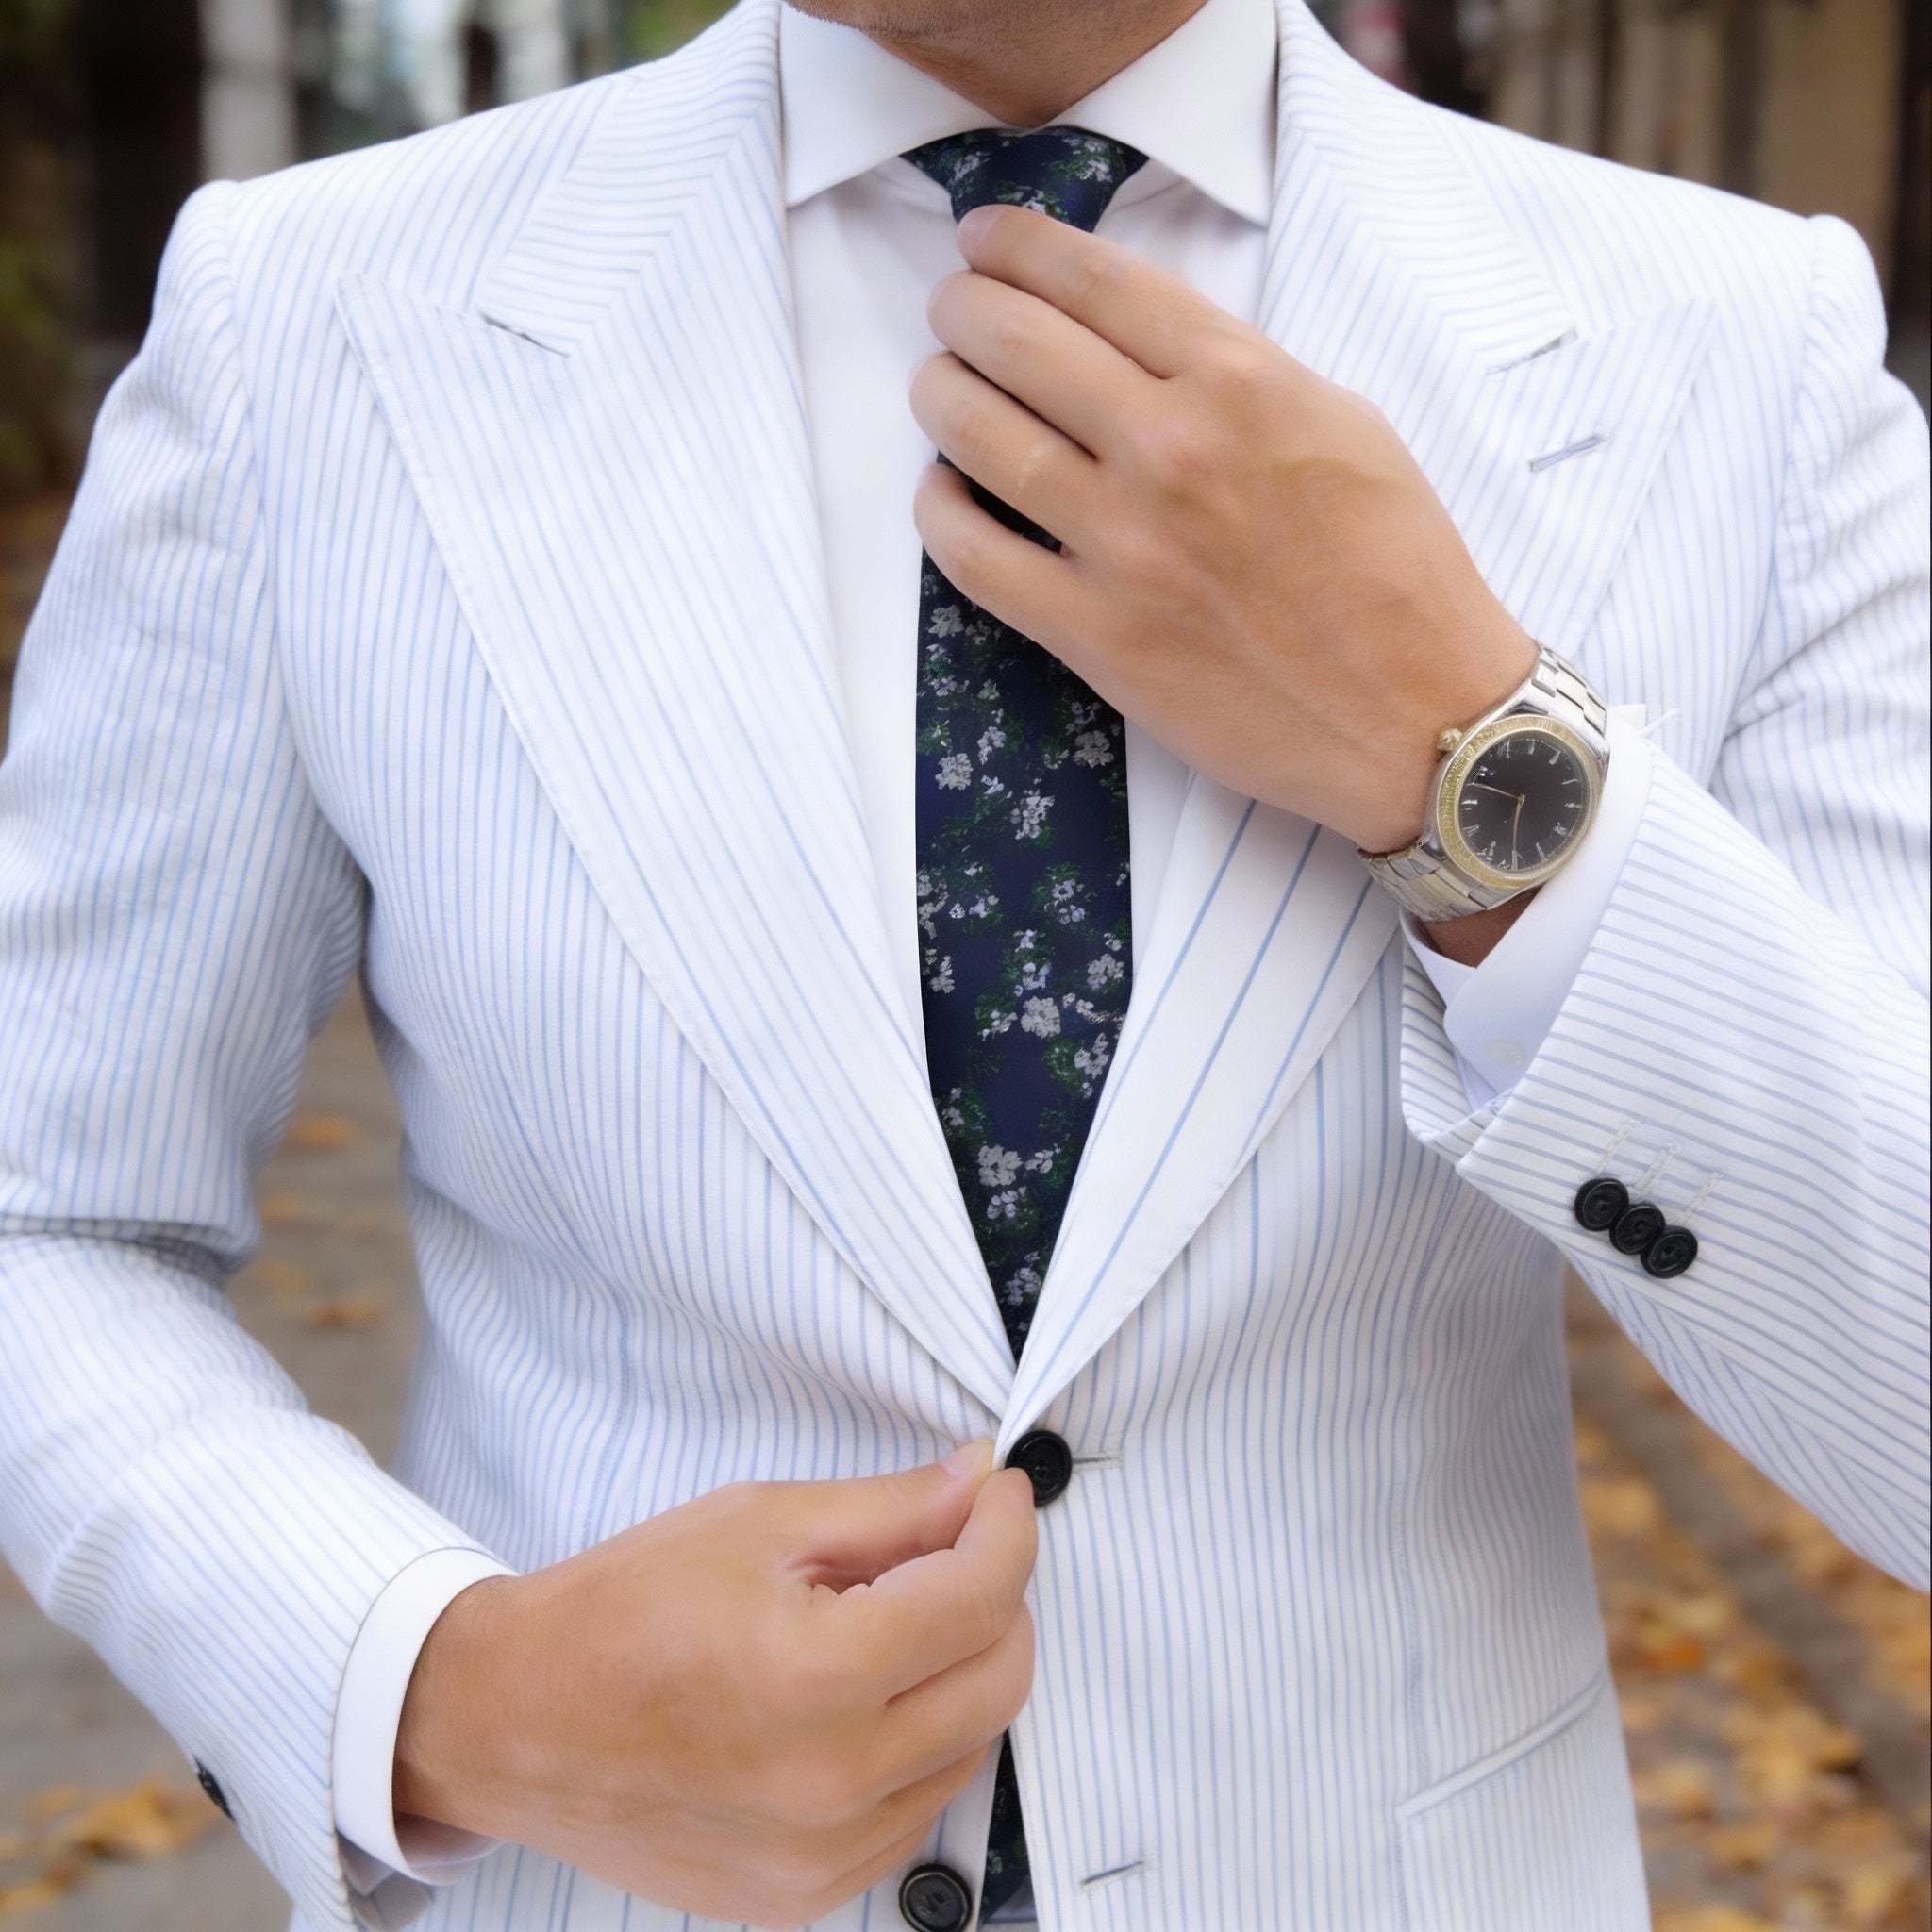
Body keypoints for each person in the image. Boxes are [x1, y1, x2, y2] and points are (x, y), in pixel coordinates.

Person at [0, 0, 1925, 1925]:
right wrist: (429, 1684)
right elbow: (49, 1217)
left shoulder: (1737, 350)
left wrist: (1473, 763)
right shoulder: (308, 320)